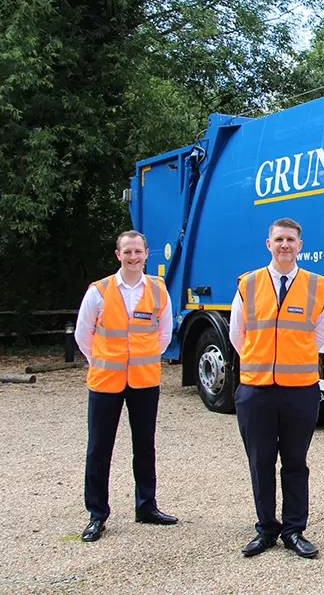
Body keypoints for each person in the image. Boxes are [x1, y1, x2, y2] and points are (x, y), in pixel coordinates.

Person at [229, 217, 324, 559]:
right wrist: (261, 362)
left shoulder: (316, 285)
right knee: (260, 462)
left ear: (300, 245)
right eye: (279, 239)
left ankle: (294, 530)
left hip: (299, 389)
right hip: (256, 389)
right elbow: (237, 334)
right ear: (268, 244)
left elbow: (319, 335)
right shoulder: (249, 283)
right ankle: (266, 529)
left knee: (296, 462)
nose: (284, 245)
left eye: (291, 239)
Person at [74, 230, 177, 542]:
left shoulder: (158, 290)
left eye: (138, 252)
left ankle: (146, 505)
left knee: (144, 445)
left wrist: (139, 359)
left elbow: (164, 334)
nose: (133, 257)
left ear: (147, 254)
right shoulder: (100, 291)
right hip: (106, 381)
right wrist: (105, 359)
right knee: (99, 447)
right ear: (118, 255)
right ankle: (97, 514)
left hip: (144, 381)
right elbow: (84, 334)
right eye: (127, 252)